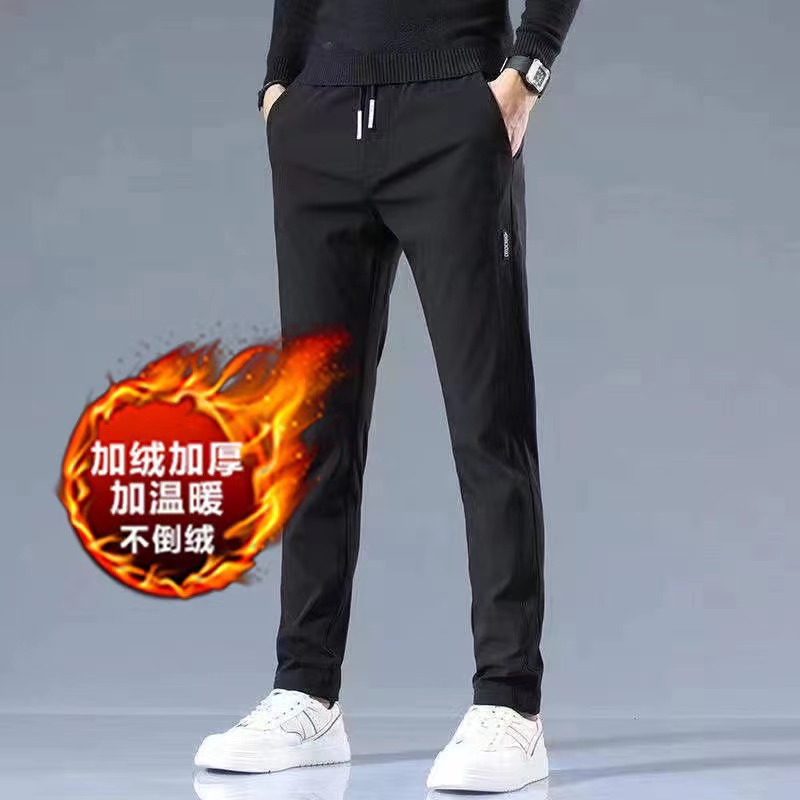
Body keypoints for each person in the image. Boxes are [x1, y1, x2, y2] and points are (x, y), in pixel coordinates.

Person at [195, 0, 581, 792]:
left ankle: (509, 702)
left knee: (488, 417)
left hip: (453, 110)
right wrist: (279, 81)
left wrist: (526, 72)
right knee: (314, 430)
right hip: (319, 118)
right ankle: (306, 691)